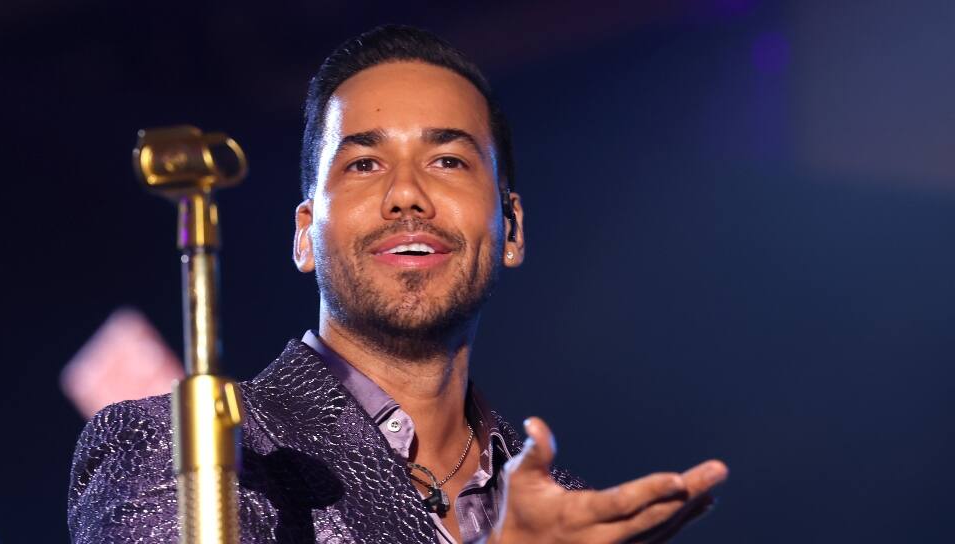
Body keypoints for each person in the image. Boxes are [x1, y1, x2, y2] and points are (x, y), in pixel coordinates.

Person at [68, 24, 728, 543]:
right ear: (304, 235)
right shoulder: (180, 453)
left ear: (512, 227)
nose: (406, 193)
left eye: (448, 160)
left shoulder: (570, 515)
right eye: (363, 164)